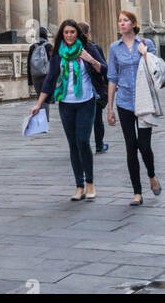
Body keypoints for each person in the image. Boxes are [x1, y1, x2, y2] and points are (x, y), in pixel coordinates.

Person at [28, 18, 105, 201]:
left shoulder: (88, 49)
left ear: (78, 33)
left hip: (86, 101)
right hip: (66, 102)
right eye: (66, 32)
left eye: (72, 32)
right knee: (72, 144)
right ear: (62, 35)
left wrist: (92, 60)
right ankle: (79, 186)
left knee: (83, 141)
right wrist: (39, 104)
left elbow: (105, 70)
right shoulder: (57, 53)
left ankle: (90, 183)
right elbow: (50, 79)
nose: (69, 35)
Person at [107, 10, 161, 206]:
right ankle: (137, 192)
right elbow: (112, 77)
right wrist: (110, 108)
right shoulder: (115, 48)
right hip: (124, 101)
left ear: (133, 23)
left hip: (144, 100)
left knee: (144, 146)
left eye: (125, 20)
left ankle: (152, 175)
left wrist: (145, 54)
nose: (122, 24)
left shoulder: (146, 44)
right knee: (131, 147)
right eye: (120, 20)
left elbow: (156, 69)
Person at [79, 21, 109, 154]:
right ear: (87, 33)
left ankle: (94, 144)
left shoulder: (90, 49)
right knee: (95, 119)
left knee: (92, 119)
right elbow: (105, 69)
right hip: (88, 90)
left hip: (89, 91)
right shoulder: (92, 47)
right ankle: (98, 144)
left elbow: (104, 69)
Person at [28, 26, 53, 98]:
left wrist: (30, 81)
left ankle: (41, 109)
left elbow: (29, 65)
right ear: (46, 35)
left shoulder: (32, 47)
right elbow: (53, 64)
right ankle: (43, 109)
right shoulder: (49, 46)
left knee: (40, 97)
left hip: (35, 76)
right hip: (46, 76)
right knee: (45, 98)